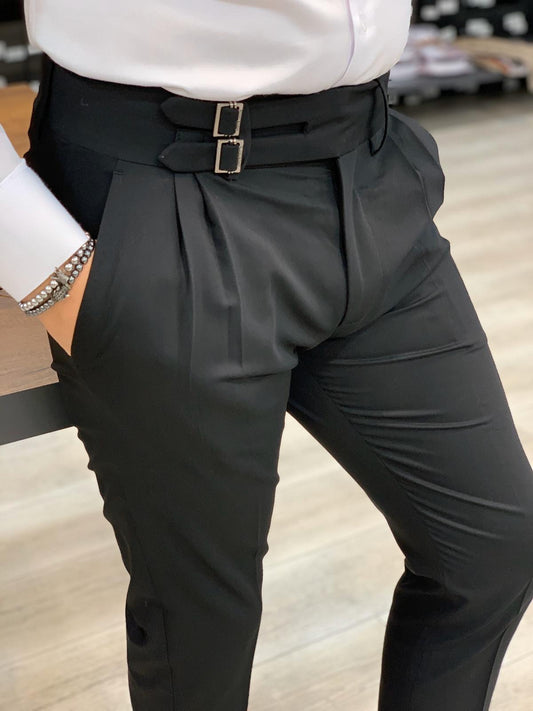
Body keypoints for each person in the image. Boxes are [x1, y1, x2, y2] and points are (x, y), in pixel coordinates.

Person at [1, 2, 533, 710]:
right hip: (162, 181)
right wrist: (46, 267)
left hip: (369, 168)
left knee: (493, 548)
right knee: (200, 635)